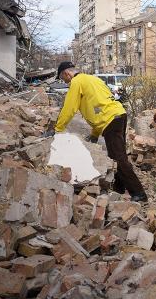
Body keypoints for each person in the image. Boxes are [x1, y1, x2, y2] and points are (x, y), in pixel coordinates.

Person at [51, 62, 147, 202]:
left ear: (66, 73)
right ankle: (119, 189)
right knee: (117, 154)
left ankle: (139, 193)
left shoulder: (76, 82)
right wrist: (95, 134)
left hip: (110, 120)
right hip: (119, 114)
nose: (64, 81)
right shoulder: (92, 79)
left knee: (119, 157)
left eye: (62, 78)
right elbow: (98, 106)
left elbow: (69, 107)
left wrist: (58, 129)